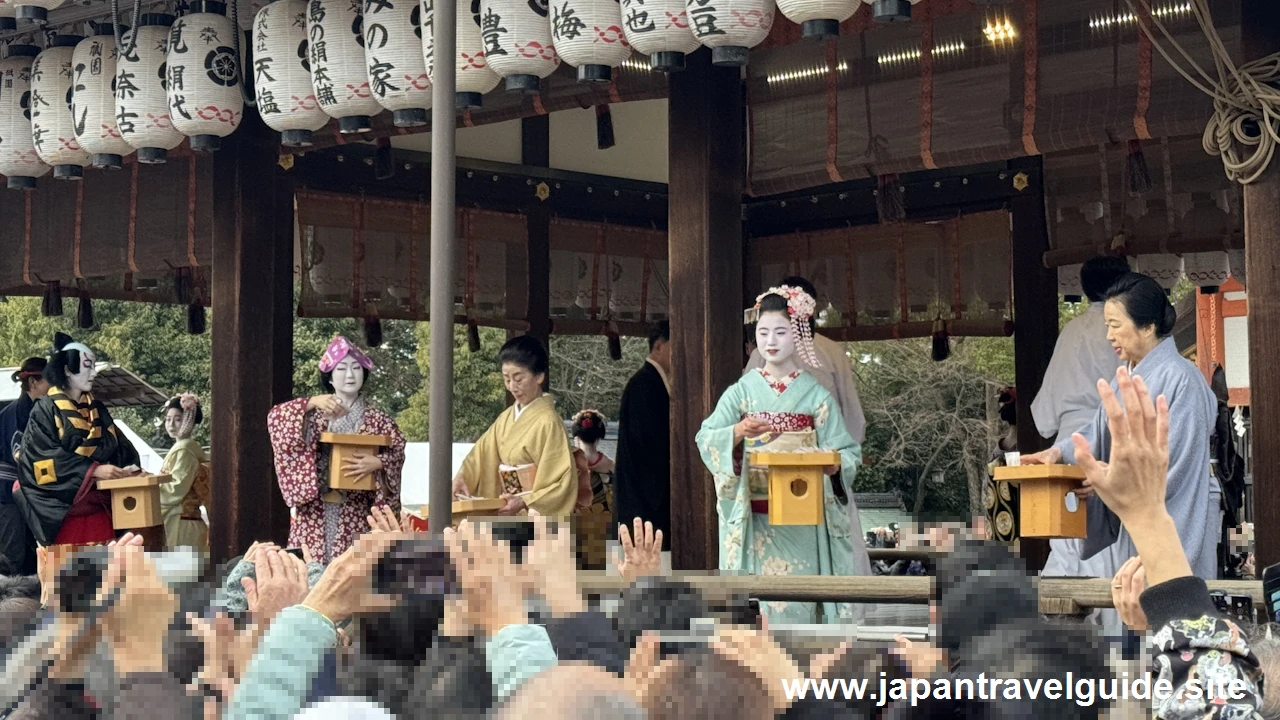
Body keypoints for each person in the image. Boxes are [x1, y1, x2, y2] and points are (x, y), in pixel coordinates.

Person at [1025, 273, 1219, 580]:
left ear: (1147, 326)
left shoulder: (1182, 378)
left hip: (1176, 513)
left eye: (1115, 326)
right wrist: (1057, 454)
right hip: (1135, 512)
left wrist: (1113, 482)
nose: (1109, 336)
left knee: (1175, 607)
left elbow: (1177, 464)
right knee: (1137, 608)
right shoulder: (1124, 377)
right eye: (1107, 326)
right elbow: (1097, 432)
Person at [696, 285, 868, 624]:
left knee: (798, 603)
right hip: (755, 519)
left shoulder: (815, 396)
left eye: (780, 332)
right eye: (762, 332)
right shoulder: (741, 391)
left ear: (799, 334)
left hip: (802, 518)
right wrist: (736, 433)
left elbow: (848, 451)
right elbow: (706, 437)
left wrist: (834, 463)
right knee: (755, 608)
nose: (770, 341)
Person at [1031, 255, 1129, 577]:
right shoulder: (1125, 330)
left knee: (1068, 540)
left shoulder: (1071, 331)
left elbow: (1043, 415)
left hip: (1067, 444)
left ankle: (1061, 624)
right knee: (1116, 547)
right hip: (1112, 441)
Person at [268, 336, 406, 563]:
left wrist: (380, 463)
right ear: (330, 378)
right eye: (341, 369)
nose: (350, 375)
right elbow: (276, 418)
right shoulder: (312, 414)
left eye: (356, 368)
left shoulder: (379, 420)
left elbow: (397, 450)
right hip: (314, 511)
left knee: (350, 576)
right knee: (310, 572)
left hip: (356, 509)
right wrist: (311, 402)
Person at [15, 334, 141, 550]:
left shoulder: (98, 410)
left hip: (101, 511)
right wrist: (92, 470)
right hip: (65, 514)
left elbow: (122, 448)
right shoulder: (45, 410)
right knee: (71, 578)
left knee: (106, 578)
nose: (93, 372)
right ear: (66, 369)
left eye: (93, 366)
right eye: (86, 366)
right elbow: (40, 459)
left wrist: (128, 469)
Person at [452, 336, 577, 517]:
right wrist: (462, 478)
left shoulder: (548, 422)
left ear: (539, 376)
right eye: (506, 379)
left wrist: (525, 501)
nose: (512, 387)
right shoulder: (505, 417)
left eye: (518, 379)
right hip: (506, 508)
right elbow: (481, 454)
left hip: (532, 513)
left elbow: (561, 481)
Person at [744, 276, 865, 444]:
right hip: (773, 446)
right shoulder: (762, 352)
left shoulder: (831, 351)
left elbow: (849, 405)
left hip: (820, 446)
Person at [613, 320, 672, 545]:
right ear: (659, 346)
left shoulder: (650, 382)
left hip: (646, 492)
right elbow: (649, 446)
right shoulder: (645, 385)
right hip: (645, 495)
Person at [0, 358, 48, 575]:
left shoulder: (35, 409)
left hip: (22, 491)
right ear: (34, 382)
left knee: (26, 554)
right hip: (8, 492)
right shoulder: (17, 411)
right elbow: (20, 454)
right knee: (12, 556)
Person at [159, 394, 211, 551]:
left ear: (189, 420)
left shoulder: (185, 450)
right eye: (168, 419)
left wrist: (150, 487)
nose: (171, 424)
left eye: (178, 419)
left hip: (181, 522)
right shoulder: (186, 448)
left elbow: (176, 490)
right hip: (185, 522)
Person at [570, 410, 613, 569]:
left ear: (576, 437)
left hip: (573, 536)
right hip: (606, 536)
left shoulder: (567, 468)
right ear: (598, 438)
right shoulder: (613, 467)